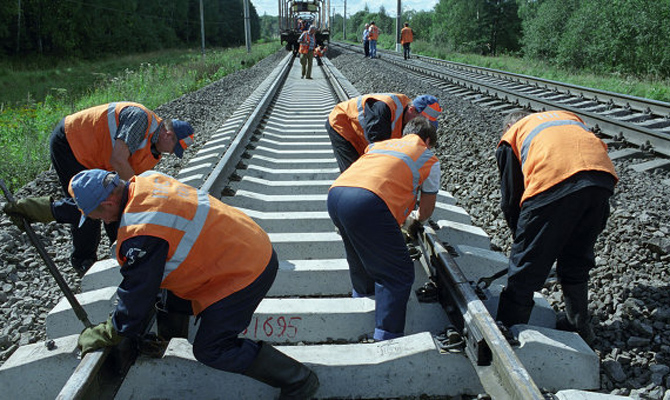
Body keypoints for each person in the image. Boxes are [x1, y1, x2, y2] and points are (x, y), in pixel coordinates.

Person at [67, 169, 319, 398]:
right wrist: (47, 209)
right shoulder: (146, 181)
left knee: (212, 349)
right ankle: (168, 338)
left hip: (244, 273)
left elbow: (138, 290)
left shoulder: (142, 229)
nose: (104, 222)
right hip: (246, 244)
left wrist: (113, 330)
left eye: (98, 215)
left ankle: (299, 381)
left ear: (109, 202)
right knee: (166, 290)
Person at [5, 102, 194, 275]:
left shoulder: (153, 151)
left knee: (115, 203)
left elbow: (124, 189)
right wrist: (140, 198)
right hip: (72, 143)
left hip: (97, 157)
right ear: (168, 135)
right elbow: (118, 161)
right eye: (174, 148)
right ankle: (83, 261)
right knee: (91, 206)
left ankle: (121, 251)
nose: (171, 153)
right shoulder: (140, 120)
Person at [494, 110, 618, 345]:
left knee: (525, 268)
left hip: (554, 180)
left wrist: (522, 242)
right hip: (601, 180)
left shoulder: (512, 136)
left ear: (509, 125)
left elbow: (511, 199)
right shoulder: (565, 118)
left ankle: (507, 330)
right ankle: (579, 326)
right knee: (577, 256)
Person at [327, 116, 440, 341]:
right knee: (397, 273)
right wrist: (415, 218)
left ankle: (362, 301)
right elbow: (426, 210)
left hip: (336, 195)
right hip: (367, 202)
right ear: (427, 140)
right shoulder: (428, 157)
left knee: (359, 256)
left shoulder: (380, 144)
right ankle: (386, 337)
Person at [325, 93, 441, 172]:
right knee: (353, 172)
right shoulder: (384, 109)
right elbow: (378, 149)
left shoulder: (408, 117)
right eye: (421, 120)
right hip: (343, 124)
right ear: (412, 110)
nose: (421, 126)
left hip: (361, 133)